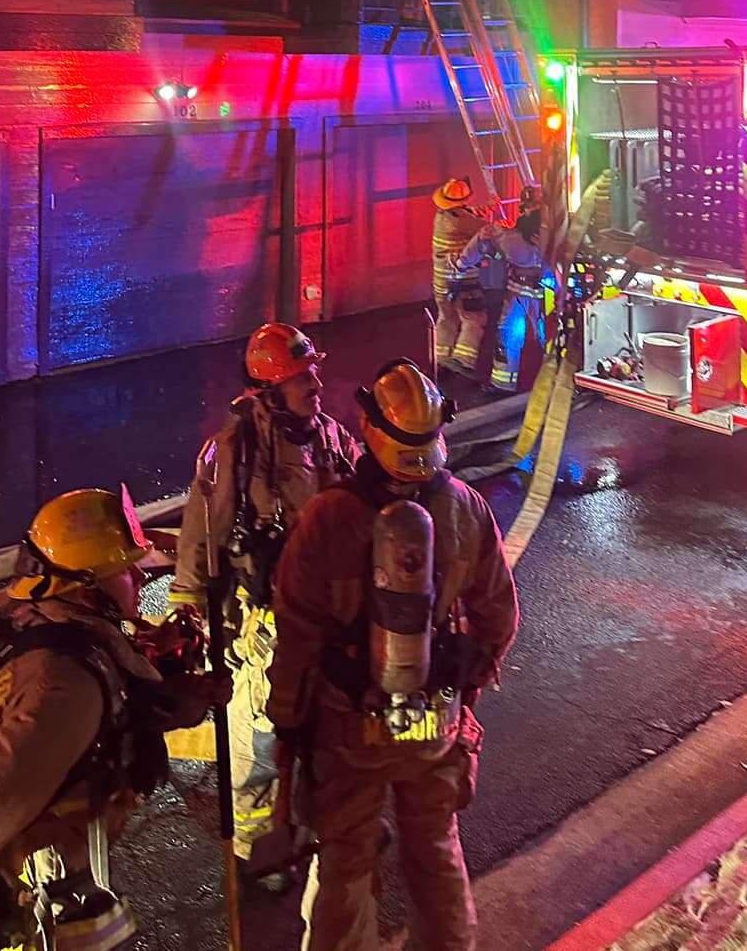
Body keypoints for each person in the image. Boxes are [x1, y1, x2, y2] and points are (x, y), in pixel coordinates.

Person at [0, 486, 228, 949]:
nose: (141, 576)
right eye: (125, 569)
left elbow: (121, 691)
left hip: (46, 870)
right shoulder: (61, 685)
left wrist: (183, 689)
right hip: (28, 894)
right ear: (88, 584)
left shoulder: (36, 617)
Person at [267, 359, 519, 951]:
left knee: (346, 863)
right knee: (435, 850)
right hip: (435, 721)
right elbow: (499, 617)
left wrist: (288, 720)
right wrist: (464, 687)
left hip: (348, 725)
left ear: (371, 428)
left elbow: (297, 632)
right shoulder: (466, 507)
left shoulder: (327, 516)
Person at [169, 322, 359, 877]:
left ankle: (314, 831)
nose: (316, 384)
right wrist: (191, 613)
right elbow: (200, 535)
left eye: (314, 371)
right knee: (259, 740)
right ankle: (254, 850)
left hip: (326, 617)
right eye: (302, 377)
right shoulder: (234, 450)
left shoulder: (330, 437)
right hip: (264, 623)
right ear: (270, 391)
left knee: (325, 728)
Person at [453, 184, 545, 393]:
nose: (530, 211)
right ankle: (503, 383)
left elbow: (483, 244)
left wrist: (462, 264)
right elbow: (488, 246)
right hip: (527, 291)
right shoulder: (514, 236)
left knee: (543, 337)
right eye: (528, 207)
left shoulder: (514, 237)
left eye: (534, 207)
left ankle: (549, 381)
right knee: (511, 334)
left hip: (540, 294)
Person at [431, 177, 489, 381]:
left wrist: (485, 208)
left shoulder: (442, 216)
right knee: (474, 318)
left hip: (442, 281)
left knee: (447, 318)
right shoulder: (462, 221)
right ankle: (463, 360)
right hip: (463, 281)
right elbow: (487, 229)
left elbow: (468, 215)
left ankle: (441, 359)